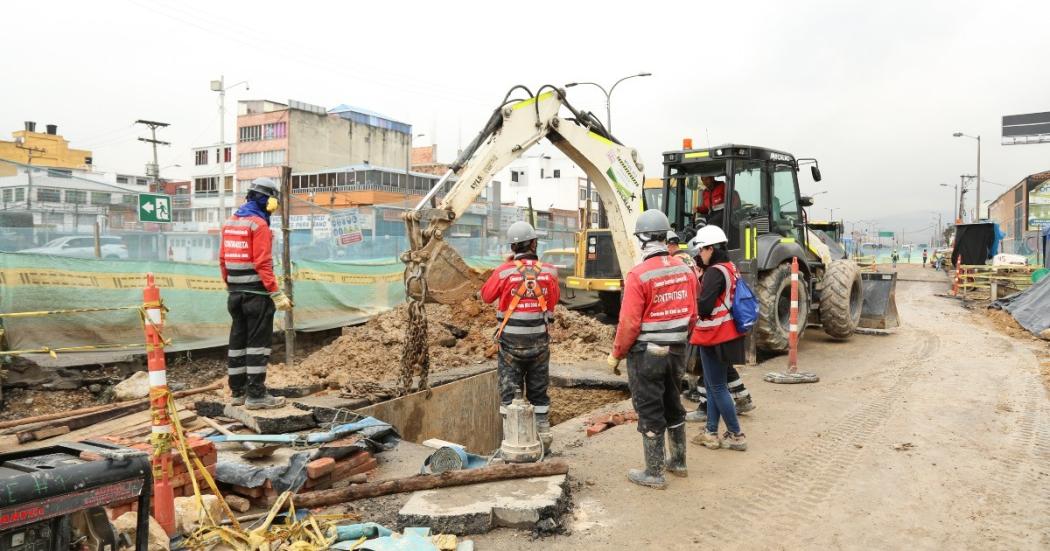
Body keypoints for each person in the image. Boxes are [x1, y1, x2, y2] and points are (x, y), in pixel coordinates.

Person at [608, 210, 698, 489]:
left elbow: (629, 324)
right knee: (673, 402)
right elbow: (693, 315)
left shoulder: (639, 275)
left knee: (649, 408)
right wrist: (681, 341)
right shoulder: (686, 270)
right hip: (677, 351)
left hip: (647, 354)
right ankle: (679, 462)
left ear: (643, 239)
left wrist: (617, 353)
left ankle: (654, 472)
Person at [480, 221, 560, 451]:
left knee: (509, 397)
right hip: (539, 343)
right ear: (534, 243)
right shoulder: (549, 271)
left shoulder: (504, 271)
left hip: (510, 346)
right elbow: (552, 302)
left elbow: (486, 296)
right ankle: (543, 441)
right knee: (538, 394)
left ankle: (512, 444)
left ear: (512, 247)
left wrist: (507, 271)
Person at [219, 177, 292, 410]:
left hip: (235, 295)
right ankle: (257, 395)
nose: (274, 205)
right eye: (273, 199)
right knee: (257, 345)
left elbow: (222, 260)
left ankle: (238, 392)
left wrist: (232, 286)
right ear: (266, 199)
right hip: (256, 296)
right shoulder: (259, 225)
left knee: (237, 342)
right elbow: (263, 263)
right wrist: (276, 293)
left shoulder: (231, 222)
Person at [689, 225, 748, 451]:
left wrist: (697, 290)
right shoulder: (730, 267)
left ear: (711, 248)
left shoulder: (714, 272)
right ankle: (711, 432)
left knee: (718, 388)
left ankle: (736, 435)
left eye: (701, 249)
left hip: (713, 335)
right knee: (716, 385)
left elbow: (704, 306)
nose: (699, 254)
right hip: (728, 333)